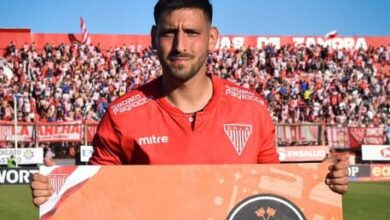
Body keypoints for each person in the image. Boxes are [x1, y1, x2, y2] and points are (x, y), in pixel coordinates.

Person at [31, 0, 349, 207]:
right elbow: (97, 200)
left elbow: (272, 197)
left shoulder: (252, 109)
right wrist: (56, 193)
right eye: (170, 33)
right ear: (154, 37)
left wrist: (324, 185)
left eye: (192, 32)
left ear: (212, 38)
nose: (180, 45)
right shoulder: (121, 116)